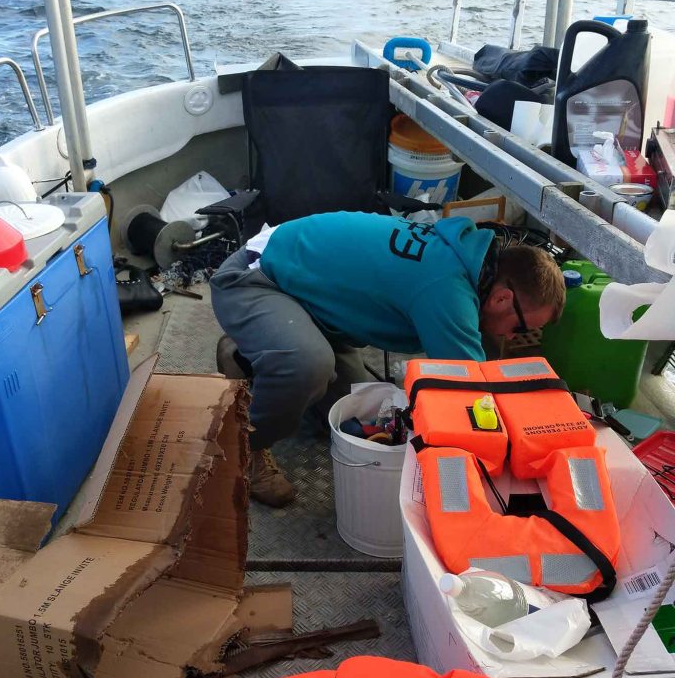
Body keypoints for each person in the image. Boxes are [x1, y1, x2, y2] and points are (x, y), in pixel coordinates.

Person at [210, 211, 565, 508]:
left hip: (314, 306)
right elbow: (470, 393)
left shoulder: (465, 260)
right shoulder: (447, 290)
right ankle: (245, 448)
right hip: (255, 279)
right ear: (502, 299)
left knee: (358, 415)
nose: (512, 337)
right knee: (307, 368)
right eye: (520, 327)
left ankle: (244, 357)